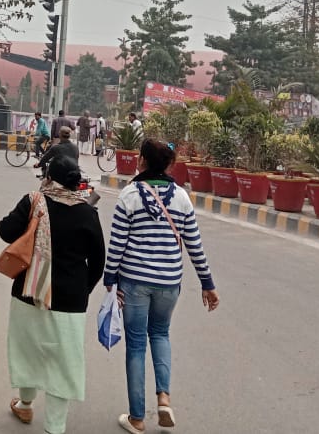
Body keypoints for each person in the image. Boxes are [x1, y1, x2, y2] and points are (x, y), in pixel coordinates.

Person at [105, 138, 219, 433]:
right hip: (169, 283)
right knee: (160, 334)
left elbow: (116, 245)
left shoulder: (129, 195)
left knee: (136, 345)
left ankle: (137, 418)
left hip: (135, 282)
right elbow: (194, 244)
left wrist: (109, 279)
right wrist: (207, 283)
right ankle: (164, 397)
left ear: (142, 160)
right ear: (167, 164)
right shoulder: (181, 197)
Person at [0, 155, 105, 434]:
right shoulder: (87, 212)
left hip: (28, 292)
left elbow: (4, 230)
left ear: (48, 177)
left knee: (28, 350)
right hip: (70, 300)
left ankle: (25, 404)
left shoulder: (34, 202)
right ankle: (55, 427)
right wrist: (83, 290)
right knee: (63, 361)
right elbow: (98, 261)